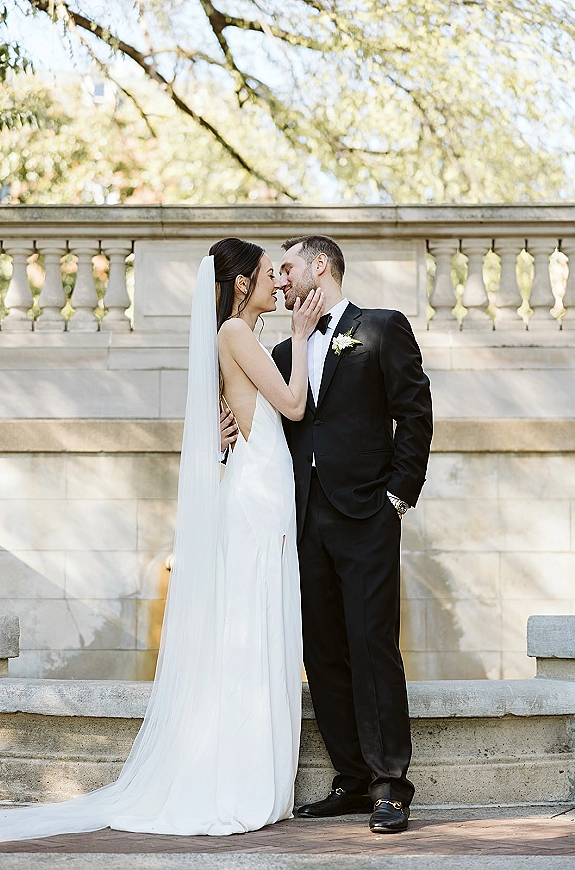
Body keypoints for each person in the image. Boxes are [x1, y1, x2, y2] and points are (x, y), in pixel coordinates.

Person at [0, 238, 324, 842]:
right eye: (264, 275)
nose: (277, 283)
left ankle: (254, 777)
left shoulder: (235, 338)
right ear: (243, 286)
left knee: (257, 625)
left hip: (261, 482)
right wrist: (302, 336)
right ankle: (241, 781)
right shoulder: (236, 333)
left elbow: (247, 412)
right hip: (258, 494)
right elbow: (295, 404)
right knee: (251, 629)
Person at [272, 235, 433, 834]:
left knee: (372, 645)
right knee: (323, 651)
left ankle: (392, 785)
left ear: (320, 266)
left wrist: (397, 494)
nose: (280, 279)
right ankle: (352, 780)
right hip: (304, 516)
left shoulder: (382, 328)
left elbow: (415, 411)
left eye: (287, 267)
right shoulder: (284, 346)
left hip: (366, 515)